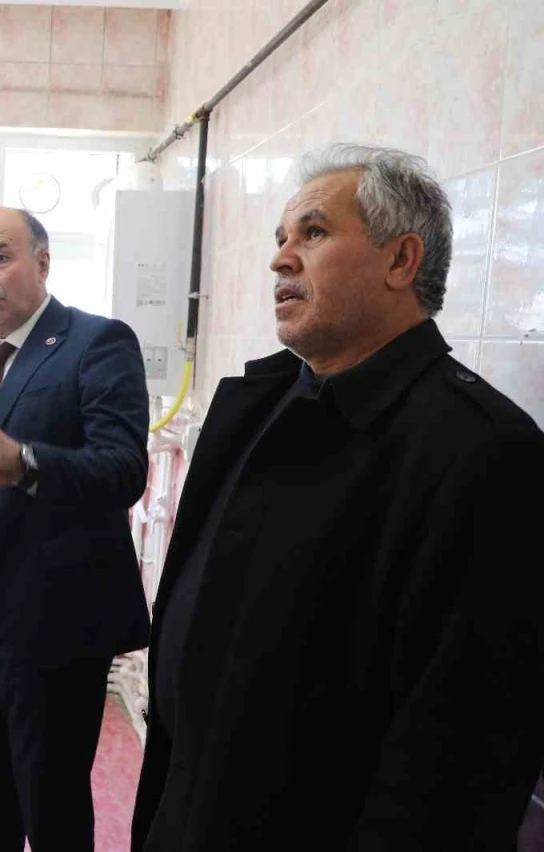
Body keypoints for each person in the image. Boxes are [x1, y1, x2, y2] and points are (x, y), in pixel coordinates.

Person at [132, 144, 544, 851]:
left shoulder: (482, 450)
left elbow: (457, 755)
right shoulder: (259, 406)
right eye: (281, 238)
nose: (280, 259)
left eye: (314, 233)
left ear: (400, 260)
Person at [0, 207, 151, 851]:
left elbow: (124, 469)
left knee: (50, 803)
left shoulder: (96, 343)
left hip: (54, 622)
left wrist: (23, 462)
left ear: (42, 262)